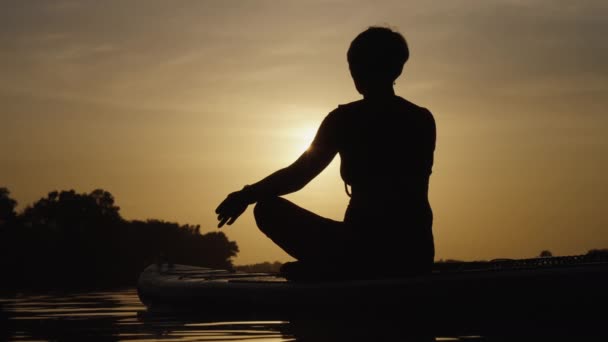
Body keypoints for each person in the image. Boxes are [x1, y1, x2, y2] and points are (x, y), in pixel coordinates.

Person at [215, 26, 436, 278]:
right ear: (397, 69)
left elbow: (298, 175)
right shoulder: (422, 119)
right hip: (416, 253)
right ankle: (335, 266)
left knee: (267, 209)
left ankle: (335, 268)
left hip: (362, 250)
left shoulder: (343, 119)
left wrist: (246, 195)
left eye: (356, 66)